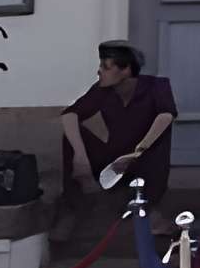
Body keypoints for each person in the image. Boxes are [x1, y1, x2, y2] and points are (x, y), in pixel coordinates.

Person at [55, 42, 176, 231]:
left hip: (144, 163)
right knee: (71, 138)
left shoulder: (156, 86)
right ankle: (73, 209)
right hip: (114, 163)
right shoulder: (103, 90)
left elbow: (166, 116)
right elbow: (70, 115)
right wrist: (80, 155)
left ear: (126, 69)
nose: (99, 71)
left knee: (154, 153)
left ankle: (149, 207)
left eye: (106, 67)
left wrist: (138, 151)